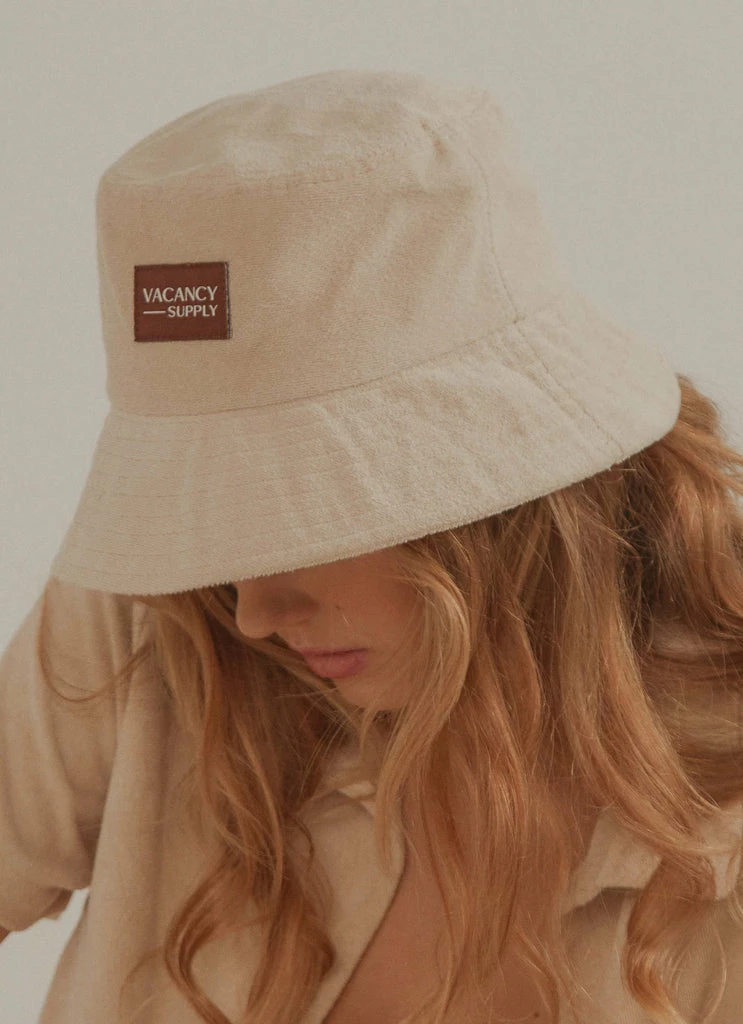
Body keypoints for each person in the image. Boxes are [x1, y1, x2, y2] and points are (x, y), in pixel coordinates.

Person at [1, 68, 743, 1024]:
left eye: (295, 515)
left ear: (498, 479)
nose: (252, 613)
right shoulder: (158, 618)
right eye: (216, 516)